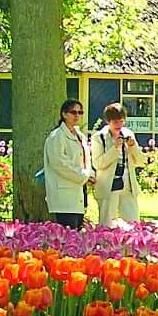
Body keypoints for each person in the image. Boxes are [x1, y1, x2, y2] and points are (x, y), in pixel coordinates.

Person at [90, 102, 144, 227]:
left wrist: (132, 147)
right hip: (109, 186)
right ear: (108, 121)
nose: (119, 125)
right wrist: (115, 148)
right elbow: (98, 164)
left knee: (133, 223)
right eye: (115, 122)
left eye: (121, 122)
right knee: (107, 224)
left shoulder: (128, 134)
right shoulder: (99, 138)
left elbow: (140, 161)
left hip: (127, 185)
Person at [42, 98, 93, 229]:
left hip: (79, 191)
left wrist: (89, 174)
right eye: (73, 112)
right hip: (63, 194)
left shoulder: (80, 136)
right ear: (64, 114)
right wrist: (82, 175)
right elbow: (59, 163)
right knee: (67, 234)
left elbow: (86, 159)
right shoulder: (56, 136)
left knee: (76, 233)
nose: (77, 115)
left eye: (80, 112)